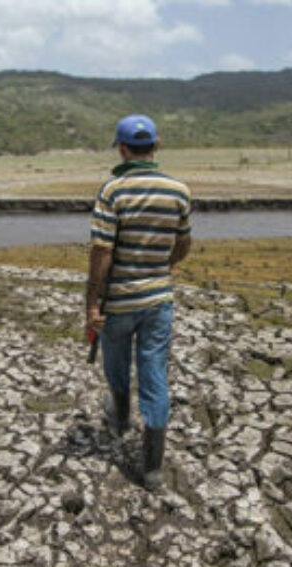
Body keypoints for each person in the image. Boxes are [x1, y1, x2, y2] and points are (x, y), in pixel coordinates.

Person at [85, 114, 192, 491]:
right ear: (156, 146)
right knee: (154, 375)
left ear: (122, 148)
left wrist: (92, 305)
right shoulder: (179, 191)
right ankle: (152, 468)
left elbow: (102, 254)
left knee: (116, 364)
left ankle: (120, 421)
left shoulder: (112, 191)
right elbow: (182, 246)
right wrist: (158, 269)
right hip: (158, 300)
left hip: (120, 302)